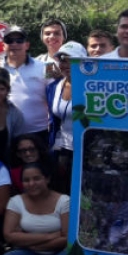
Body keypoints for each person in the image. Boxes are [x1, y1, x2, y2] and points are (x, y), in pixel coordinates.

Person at [0, 161, 69, 255]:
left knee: (72, 254)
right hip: (30, 254)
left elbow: (67, 238)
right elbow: (9, 236)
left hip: (58, 254)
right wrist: (49, 236)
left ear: (47, 179)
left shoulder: (64, 201)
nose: (31, 184)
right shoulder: (16, 201)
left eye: (36, 179)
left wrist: (35, 245)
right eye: (26, 180)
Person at [45, 41, 88, 192]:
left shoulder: (92, 87)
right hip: (60, 150)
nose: (66, 64)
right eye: (62, 59)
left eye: (72, 59)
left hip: (85, 152)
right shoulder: (53, 86)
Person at [0, 26, 50, 136]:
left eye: (19, 41)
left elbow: (56, 95)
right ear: (3, 46)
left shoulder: (46, 67)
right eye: (9, 41)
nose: (14, 44)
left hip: (38, 133)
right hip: (5, 133)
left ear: (27, 45)